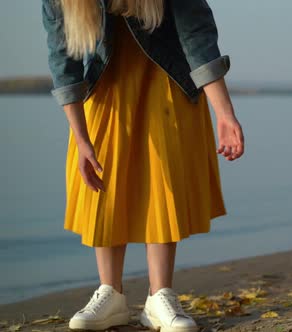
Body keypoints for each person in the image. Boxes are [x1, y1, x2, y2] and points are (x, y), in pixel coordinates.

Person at [41, 1, 244, 331]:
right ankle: (111, 294)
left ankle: (159, 295)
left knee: (161, 185)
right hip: (103, 88)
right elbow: (63, 61)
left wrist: (224, 113)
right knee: (100, 183)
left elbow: (197, 34)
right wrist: (81, 138)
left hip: (167, 82)